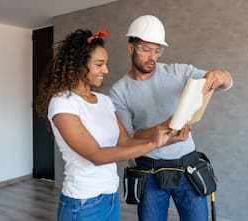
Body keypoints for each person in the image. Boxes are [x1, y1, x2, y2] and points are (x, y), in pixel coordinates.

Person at [35, 29, 183, 221]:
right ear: (79, 65)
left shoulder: (104, 101)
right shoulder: (63, 103)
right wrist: (154, 144)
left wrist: (166, 133)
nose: (106, 70)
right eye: (99, 64)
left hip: (111, 197)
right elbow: (96, 155)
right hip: (82, 203)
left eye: (106, 64)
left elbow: (124, 142)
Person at [109, 15, 233, 221]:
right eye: (146, 49)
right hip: (149, 173)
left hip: (188, 167)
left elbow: (225, 83)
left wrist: (220, 75)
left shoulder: (178, 72)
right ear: (131, 48)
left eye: (157, 50)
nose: (153, 57)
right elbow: (128, 138)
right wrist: (162, 128)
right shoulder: (119, 92)